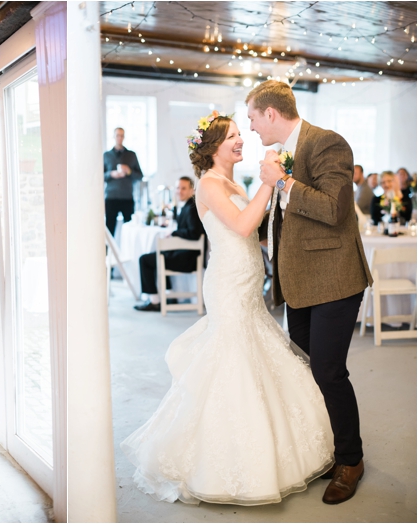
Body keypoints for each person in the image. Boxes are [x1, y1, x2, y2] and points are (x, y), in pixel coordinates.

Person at [122, 112, 335, 506]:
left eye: (241, 134)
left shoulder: (231, 181)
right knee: (231, 362)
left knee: (258, 356)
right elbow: (241, 226)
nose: (241, 140)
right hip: (227, 284)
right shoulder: (208, 184)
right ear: (213, 146)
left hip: (248, 280)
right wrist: (270, 185)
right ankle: (224, 464)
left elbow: (255, 231)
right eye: (233, 136)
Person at [248, 80, 372, 504]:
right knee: (304, 369)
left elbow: (335, 211)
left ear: (270, 114)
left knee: (328, 370)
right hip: (298, 280)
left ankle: (351, 459)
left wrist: (282, 182)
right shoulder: (279, 154)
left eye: (252, 118)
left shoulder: (327, 143)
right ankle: (326, 450)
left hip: (335, 278)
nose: (250, 128)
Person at [134, 177, 204, 312]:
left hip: (188, 258)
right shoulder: (185, 206)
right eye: (178, 188)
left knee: (145, 260)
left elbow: (195, 233)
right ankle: (169, 295)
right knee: (157, 255)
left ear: (192, 190)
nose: (179, 191)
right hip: (182, 253)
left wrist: (174, 233)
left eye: (183, 188)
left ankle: (154, 301)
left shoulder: (191, 208)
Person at [104, 127, 143, 236]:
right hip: (111, 197)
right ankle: (107, 253)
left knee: (129, 229)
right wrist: (111, 174)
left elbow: (140, 176)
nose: (120, 138)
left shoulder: (131, 155)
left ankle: (128, 252)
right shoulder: (106, 155)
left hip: (127, 198)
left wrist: (129, 171)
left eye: (122, 135)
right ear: (114, 136)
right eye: (117, 135)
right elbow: (100, 176)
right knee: (109, 227)